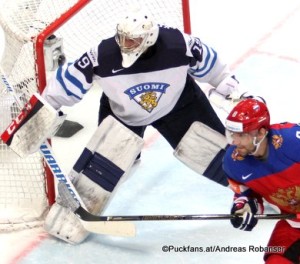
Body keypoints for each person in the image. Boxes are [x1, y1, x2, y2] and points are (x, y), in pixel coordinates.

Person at [39, 7, 246, 244]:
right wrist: (44, 112)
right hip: (123, 115)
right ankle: (71, 216)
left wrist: (236, 94)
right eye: (122, 37)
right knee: (101, 172)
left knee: (224, 158)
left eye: (132, 39)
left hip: (179, 105)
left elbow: (216, 70)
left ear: (148, 38)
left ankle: (265, 188)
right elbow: (67, 82)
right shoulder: (102, 55)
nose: (124, 44)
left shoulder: (180, 44)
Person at [223, 98, 300, 264]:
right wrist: (244, 207)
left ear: (261, 132)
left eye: (241, 135)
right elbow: (245, 194)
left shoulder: (293, 141)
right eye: (232, 134)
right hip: (295, 226)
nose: (235, 141)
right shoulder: (233, 163)